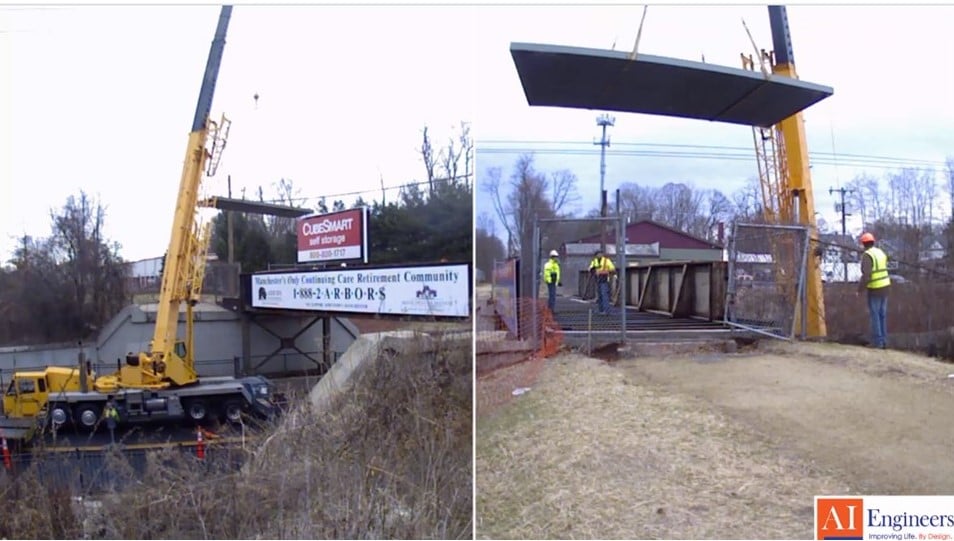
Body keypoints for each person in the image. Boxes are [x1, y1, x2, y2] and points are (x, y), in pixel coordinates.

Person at [857, 232, 891, 349]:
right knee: (882, 315)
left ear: (863, 244)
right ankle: (884, 341)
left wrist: (859, 290)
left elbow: (867, 275)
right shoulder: (880, 252)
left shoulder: (867, 255)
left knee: (875, 315)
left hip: (875, 288)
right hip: (885, 286)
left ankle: (878, 342)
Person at [589, 249, 616, 315]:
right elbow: (590, 269)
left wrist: (604, 272)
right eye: (598, 254)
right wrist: (593, 269)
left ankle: (606, 311)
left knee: (604, 295)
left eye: (600, 254)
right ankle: (601, 310)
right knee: (600, 296)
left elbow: (612, 269)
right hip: (597, 280)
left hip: (604, 280)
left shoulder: (606, 261)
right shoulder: (594, 261)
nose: (599, 255)